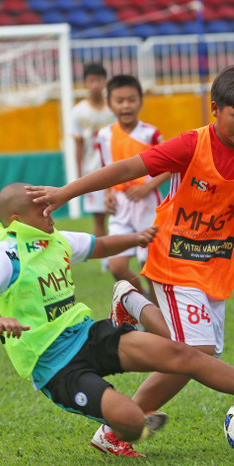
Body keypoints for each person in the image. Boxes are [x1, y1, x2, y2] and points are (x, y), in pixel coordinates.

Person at [27, 64, 234, 456]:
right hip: (174, 257)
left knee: (197, 356)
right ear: (215, 109)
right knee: (197, 352)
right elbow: (128, 167)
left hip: (217, 266)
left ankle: (130, 308)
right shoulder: (192, 144)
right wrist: (66, 192)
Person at [0, 183, 234, 458]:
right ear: (17, 220)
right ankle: (130, 430)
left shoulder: (55, 240)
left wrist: (137, 238)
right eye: (41, 209)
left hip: (86, 335)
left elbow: (99, 246)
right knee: (129, 418)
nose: (51, 213)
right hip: (55, 365)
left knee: (184, 354)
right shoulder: (8, 252)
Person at [94, 74, 168, 299]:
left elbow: (170, 167)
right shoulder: (104, 135)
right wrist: (108, 193)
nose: (125, 105)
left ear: (140, 102)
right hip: (120, 205)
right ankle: (144, 301)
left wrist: (148, 187)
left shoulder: (151, 133)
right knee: (116, 266)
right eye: (119, 100)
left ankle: (157, 314)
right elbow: (106, 168)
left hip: (147, 205)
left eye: (131, 99)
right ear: (109, 104)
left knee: (150, 269)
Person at [68, 62, 115, 250]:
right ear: (85, 83)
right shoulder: (78, 112)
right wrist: (81, 176)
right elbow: (78, 145)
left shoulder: (114, 106)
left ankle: (120, 255)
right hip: (92, 171)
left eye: (99, 80)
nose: (95, 84)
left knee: (120, 215)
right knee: (99, 217)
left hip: (116, 168)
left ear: (105, 81)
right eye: (91, 80)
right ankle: (105, 259)